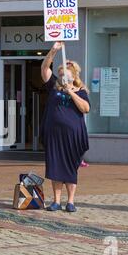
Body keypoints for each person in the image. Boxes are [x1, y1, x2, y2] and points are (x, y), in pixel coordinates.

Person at [40, 41, 90, 213]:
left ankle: (70, 201)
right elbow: (45, 68)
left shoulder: (81, 91)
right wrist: (53, 51)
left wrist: (71, 92)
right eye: (61, 74)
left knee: (70, 166)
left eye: (66, 75)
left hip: (73, 136)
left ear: (74, 76)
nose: (63, 77)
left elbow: (85, 109)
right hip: (54, 134)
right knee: (55, 166)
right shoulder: (54, 88)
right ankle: (55, 201)